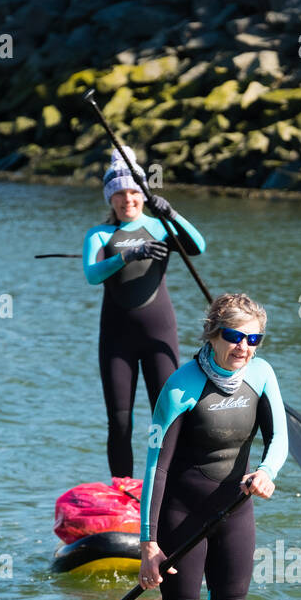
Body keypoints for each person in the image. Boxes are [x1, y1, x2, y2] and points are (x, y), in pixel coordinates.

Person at [138, 292, 288, 600]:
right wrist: (149, 543)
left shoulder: (261, 376)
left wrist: (268, 471)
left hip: (235, 515)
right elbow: (156, 468)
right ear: (212, 333)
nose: (244, 347)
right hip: (182, 517)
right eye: (234, 336)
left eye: (254, 338)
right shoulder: (180, 387)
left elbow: (278, 437)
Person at [82, 145, 206, 478]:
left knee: (166, 412)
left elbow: (197, 247)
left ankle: (168, 483)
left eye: (133, 192)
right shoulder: (99, 235)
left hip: (158, 334)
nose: (127, 200)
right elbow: (92, 275)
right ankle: (123, 489)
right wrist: (126, 255)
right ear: (110, 199)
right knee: (120, 418)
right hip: (116, 339)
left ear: (143, 195)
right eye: (119, 194)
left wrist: (173, 214)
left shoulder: (161, 227)